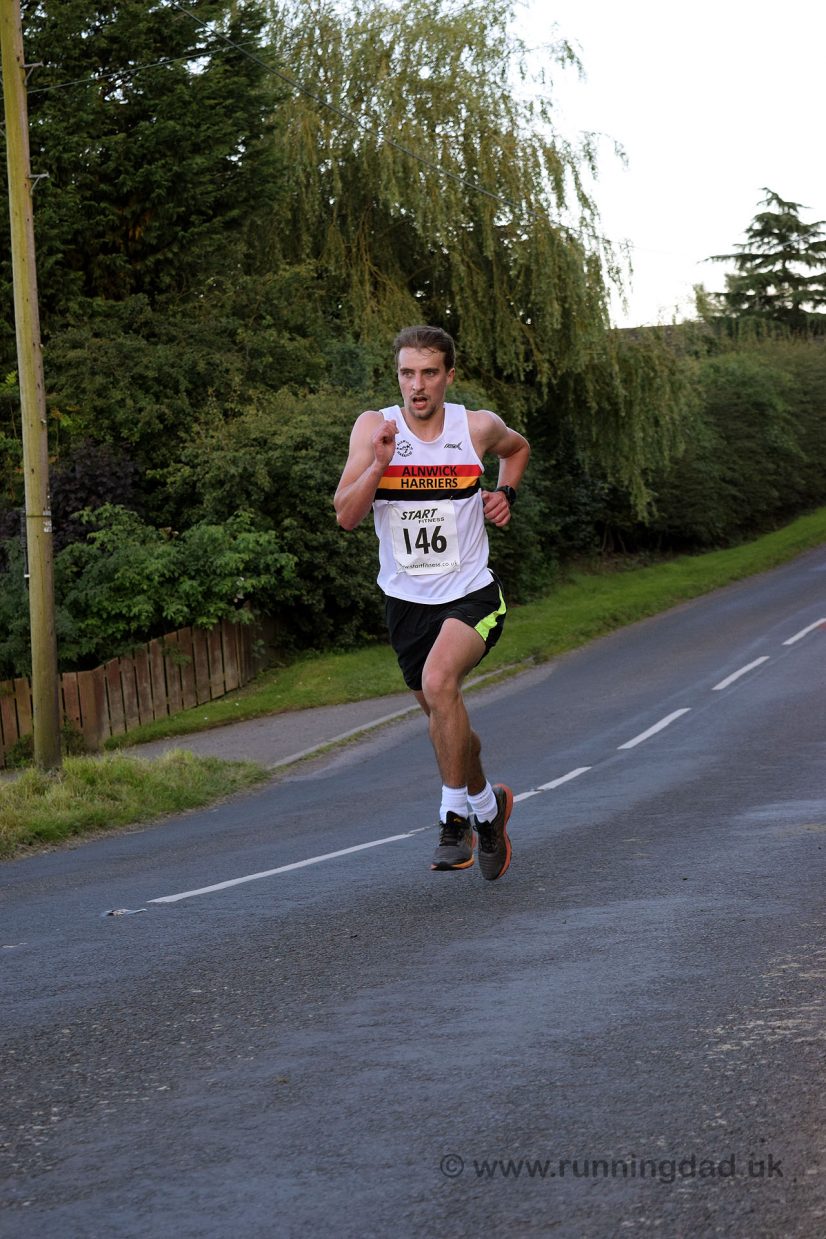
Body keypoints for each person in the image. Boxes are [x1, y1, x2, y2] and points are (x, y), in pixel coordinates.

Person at [334, 325, 530, 880]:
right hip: (406, 604)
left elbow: (517, 449)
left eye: (428, 373)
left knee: (441, 683)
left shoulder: (476, 427)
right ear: (397, 377)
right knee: (446, 722)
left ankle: (453, 820)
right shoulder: (374, 428)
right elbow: (346, 516)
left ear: (448, 376)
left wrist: (505, 493)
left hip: (470, 594)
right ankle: (489, 810)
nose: (416, 385)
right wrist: (378, 466)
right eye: (407, 374)